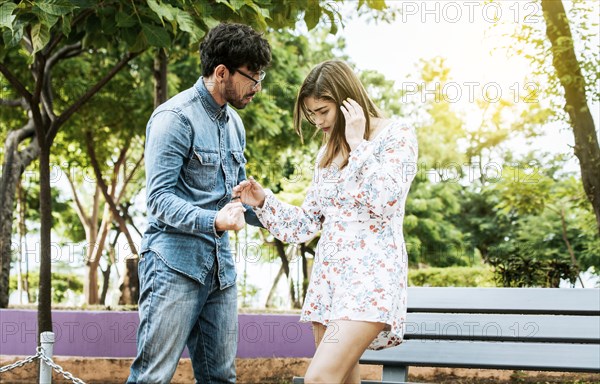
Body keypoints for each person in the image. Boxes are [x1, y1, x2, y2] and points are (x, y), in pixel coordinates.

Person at [233, 60, 418, 383]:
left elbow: (386, 200)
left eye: (323, 111)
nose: (317, 122)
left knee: (319, 379)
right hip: (329, 284)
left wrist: (359, 146)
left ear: (348, 101)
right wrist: (264, 201)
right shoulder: (327, 154)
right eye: (311, 115)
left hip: (369, 282)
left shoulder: (396, 135)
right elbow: (306, 224)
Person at [127, 23, 271, 384]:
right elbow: (158, 200)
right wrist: (214, 221)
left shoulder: (235, 123)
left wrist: (274, 213)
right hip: (173, 266)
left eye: (260, 76)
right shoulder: (174, 118)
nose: (257, 86)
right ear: (221, 72)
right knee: (152, 377)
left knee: (221, 378)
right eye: (251, 77)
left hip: (220, 272)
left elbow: (233, 202)